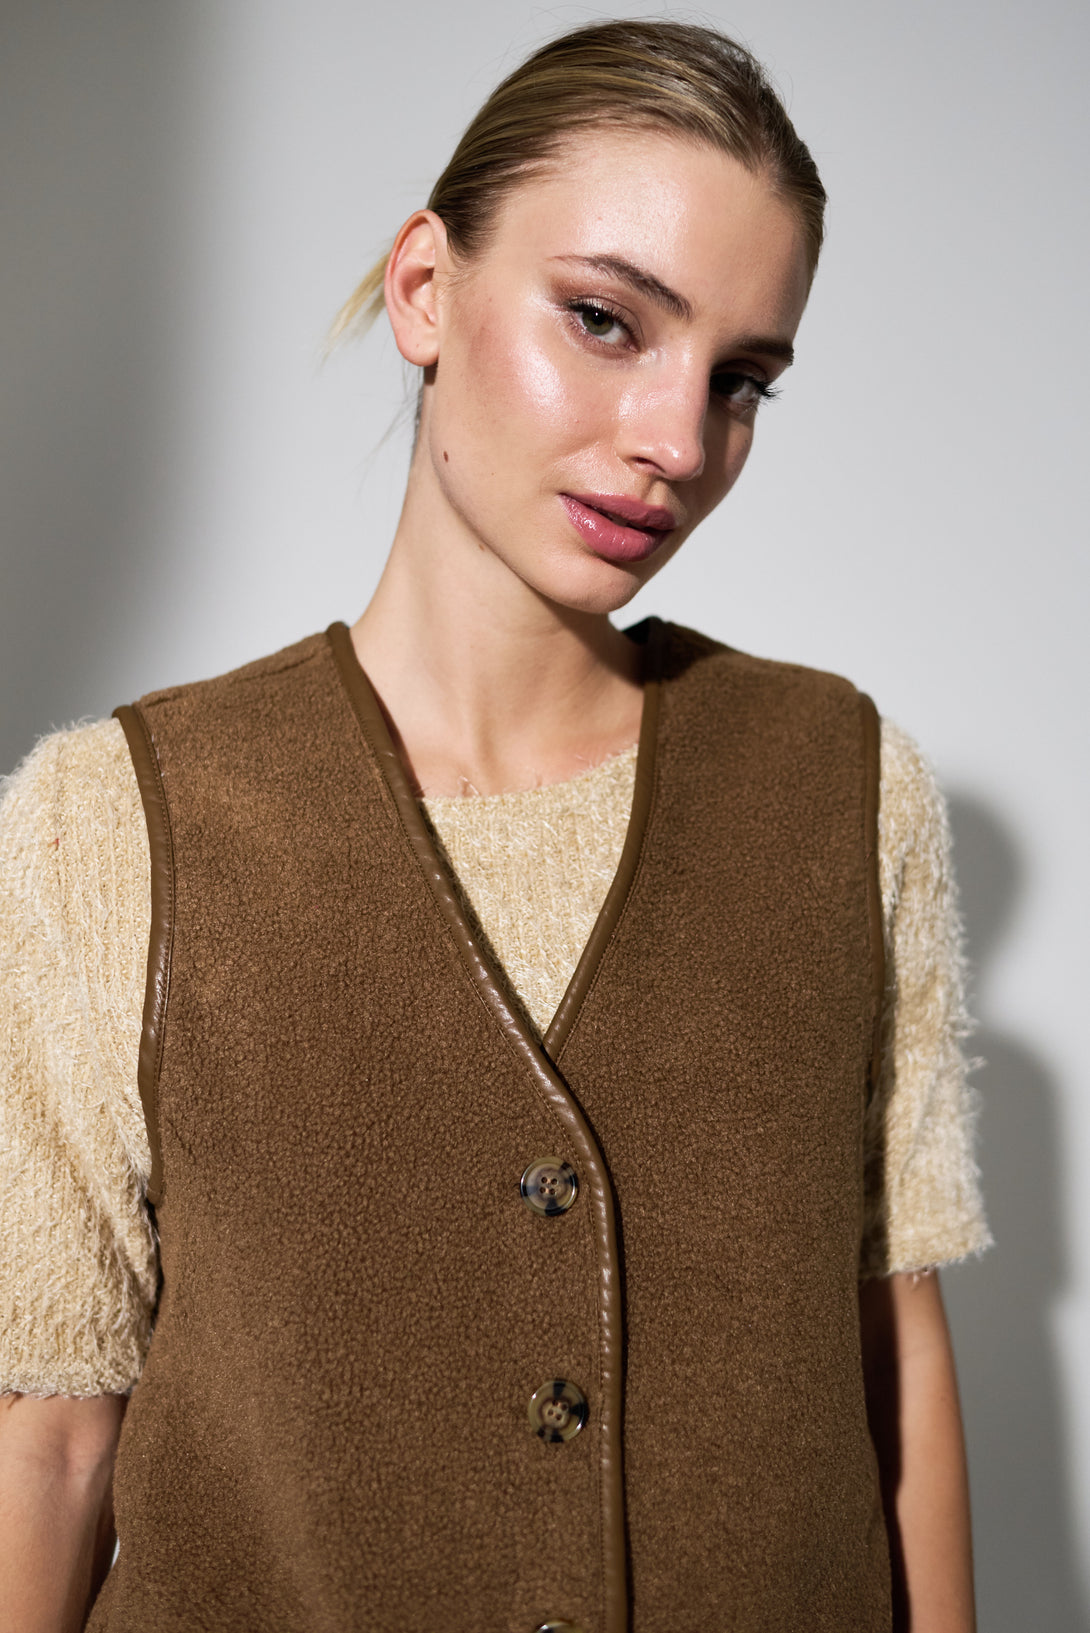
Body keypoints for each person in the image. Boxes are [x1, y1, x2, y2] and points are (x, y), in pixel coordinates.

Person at [0, 19, 991, 1633]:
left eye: (739, 379)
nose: (678, 441)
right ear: (423, 290)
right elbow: (49, 1436)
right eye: (604, 320)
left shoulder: (843, 784)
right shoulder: (108, 825)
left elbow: (895, 1355)